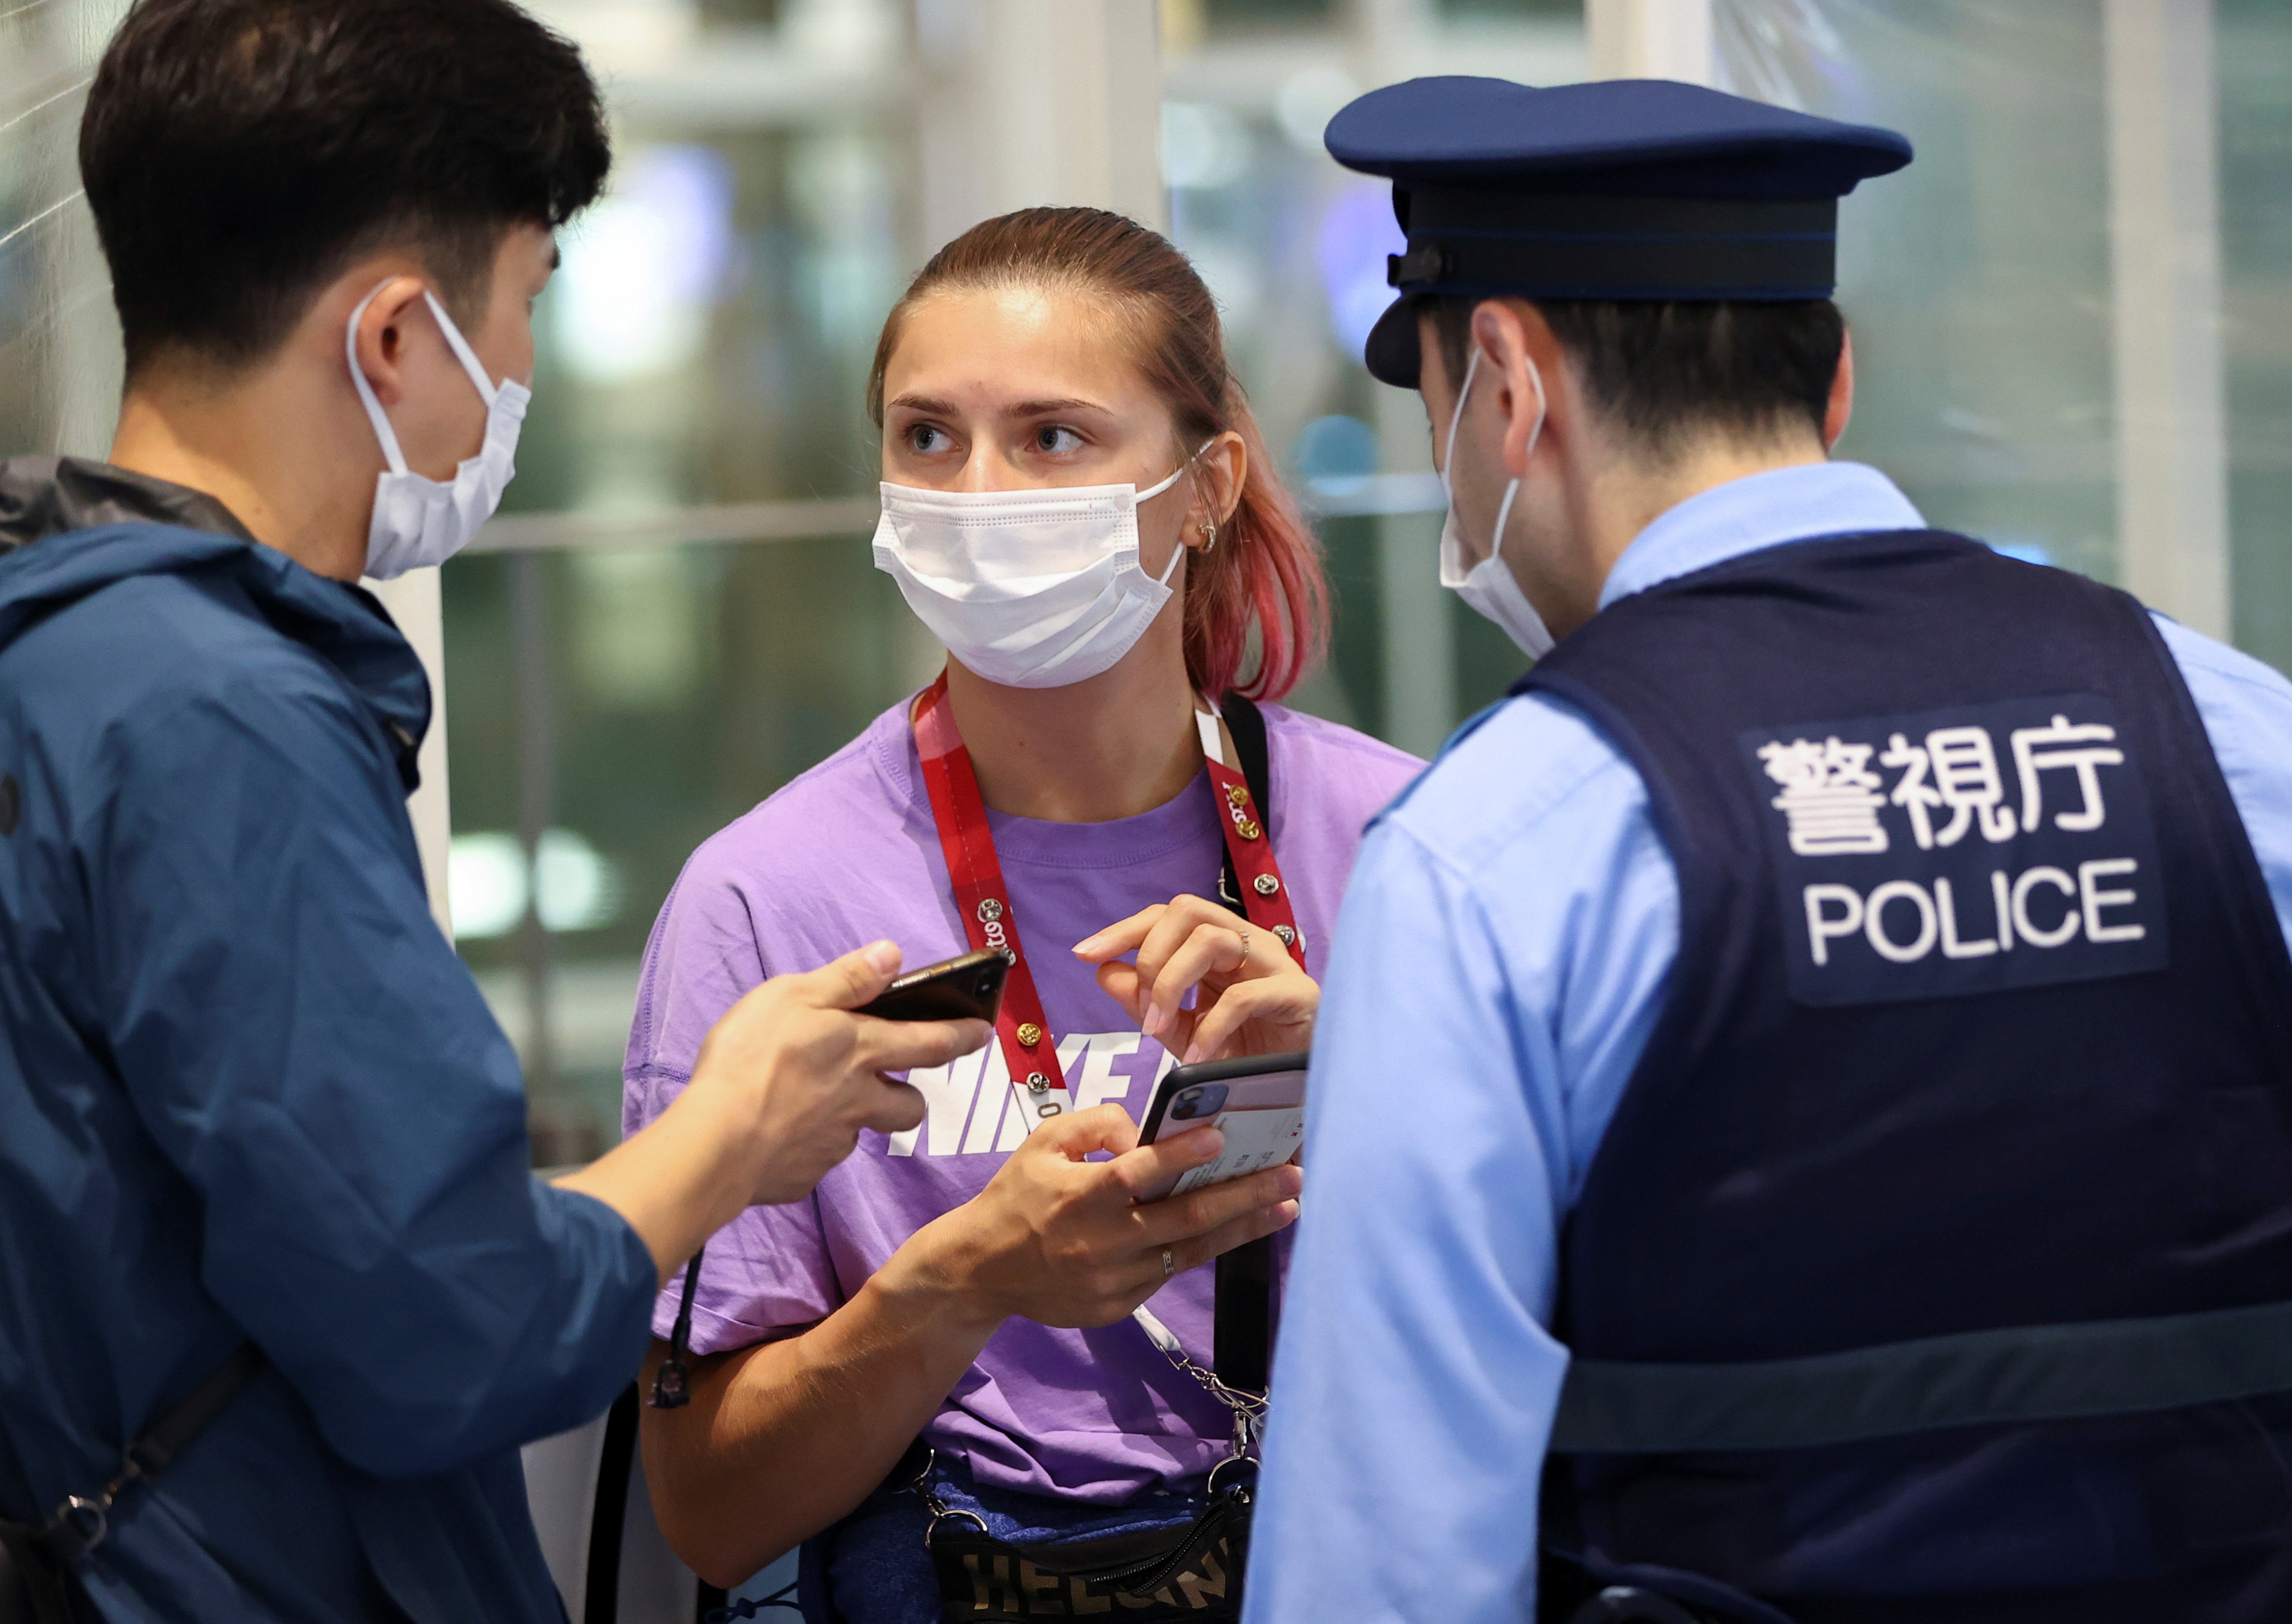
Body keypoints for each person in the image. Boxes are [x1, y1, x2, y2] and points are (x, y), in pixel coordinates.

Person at [1247, 74, 2292, 1624]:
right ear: (1838, 378)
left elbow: (1384, 1555)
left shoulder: (1501, 849)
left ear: (1510, 385)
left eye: (1440, 411)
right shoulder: (2231, 734)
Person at [0, 3, 985, 1619]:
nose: (516, 371)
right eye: (522, 304)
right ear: (394, 338)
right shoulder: (219, 716)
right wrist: (735, 1131)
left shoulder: (68, 641)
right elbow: (446, 1327)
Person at [626, 207, 1422, 1618]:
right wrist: (960, 1284)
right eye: (926, 437)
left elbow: (1599, 1322)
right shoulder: (767, 898)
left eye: (1052, 438)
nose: (978, 492)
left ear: (1204, 485)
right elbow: (710, 1514)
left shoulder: (1400, 847)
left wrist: (1379, 1072)